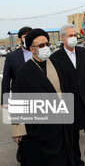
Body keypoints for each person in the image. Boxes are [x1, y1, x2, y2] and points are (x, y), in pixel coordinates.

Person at [12, 28, 75, 166]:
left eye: (47, 44)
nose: (46, 48)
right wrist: (18, 130)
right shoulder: (24, 71)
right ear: (32, 49)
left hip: (60, 124)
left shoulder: (57, 65)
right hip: (38, 128)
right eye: (41, 46)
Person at [51, 24, 85, 166]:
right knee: (73, 135)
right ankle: (77, 161)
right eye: (70, 35)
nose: (74, 38)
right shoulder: (55, 58)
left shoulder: (84, 53)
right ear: (62, 38)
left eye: (75, 35)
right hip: (69, 100)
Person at [1, 26, 32, 163]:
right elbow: (6, 80)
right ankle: (23, 151)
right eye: (26, 36)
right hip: (20, 98)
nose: (29, 38)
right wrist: (5, 99)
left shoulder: (40, 54)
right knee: (21, 130)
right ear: (20, 39)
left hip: (41, 98)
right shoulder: (12, 57)